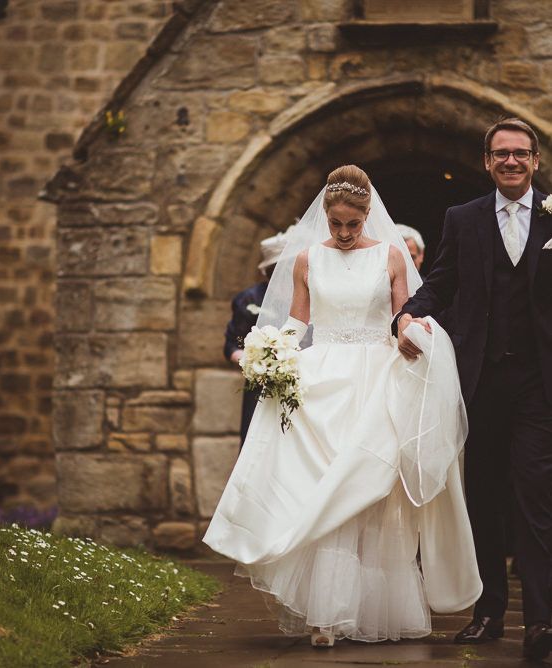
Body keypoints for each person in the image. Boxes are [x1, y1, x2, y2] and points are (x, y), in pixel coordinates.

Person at [204, 165, 481, 647]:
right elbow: (297, 320)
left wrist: (417, 335)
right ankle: (324, 617)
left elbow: (403, 315)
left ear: (367, 215)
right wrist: (270, 354)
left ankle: (369, 609)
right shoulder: (308, 259)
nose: (346, 233)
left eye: (354, 224)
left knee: (366, 493)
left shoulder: (392, 257)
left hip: (376, 379)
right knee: (323, 485)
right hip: (323, 380)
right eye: (337, 225)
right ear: (326, 218)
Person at [396, 118, 552, 661]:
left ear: (535, 160)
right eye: (501, 154)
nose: (511, 162)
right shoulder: (462, 218)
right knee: (484, 498)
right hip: (479, 380)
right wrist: (408, 315)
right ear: (487, 162)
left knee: (535, 499)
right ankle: (488, 613)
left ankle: (540, 621)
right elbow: (441, 281)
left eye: (521, 154)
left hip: (539, 383)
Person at [224, 231, 288, 447]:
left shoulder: (307, 295)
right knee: (258, 442)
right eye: (276, 269)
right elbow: (231, 343)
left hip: (300, 384)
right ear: (268, 272)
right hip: (261, 385)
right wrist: (254, 361)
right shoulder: (250, 299)